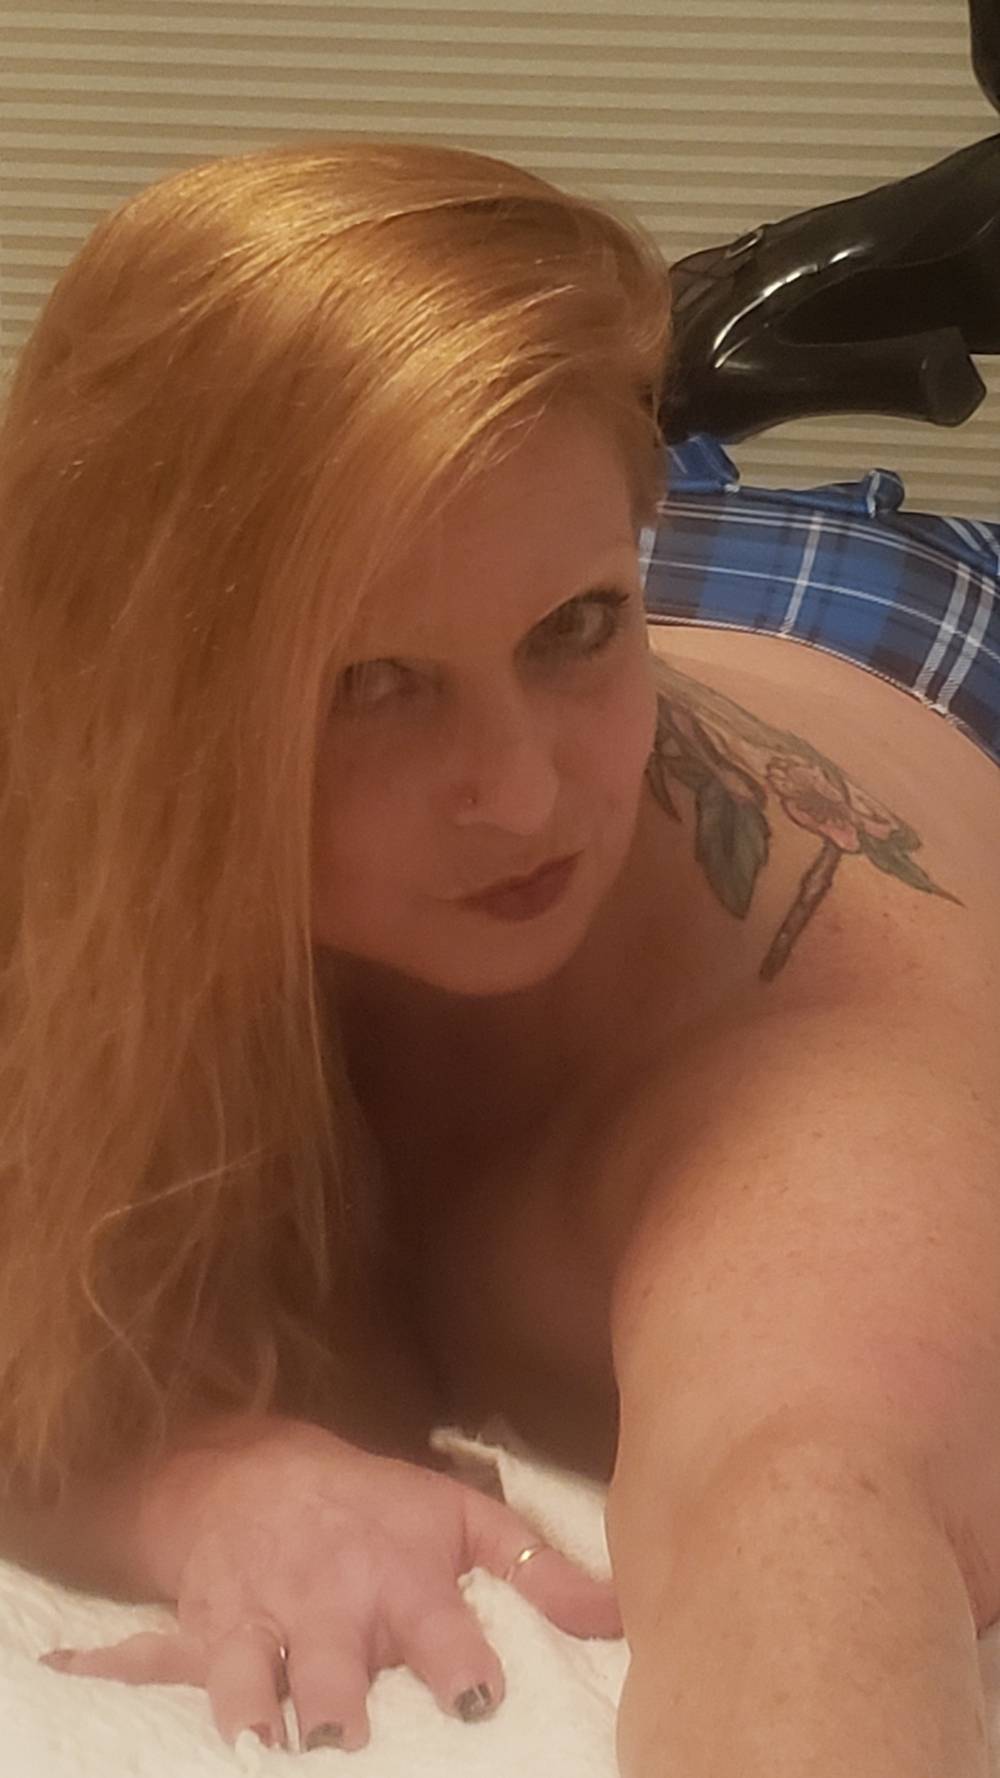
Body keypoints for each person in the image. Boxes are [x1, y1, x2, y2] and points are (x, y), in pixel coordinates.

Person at [0, 135, 997, 1775]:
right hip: (639, 556)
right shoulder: (77, 781)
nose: (524, 799)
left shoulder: (811, 1135)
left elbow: (812, 1518)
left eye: (579, 631)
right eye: (370, 686)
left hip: (931, 651)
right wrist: (194, 1481)